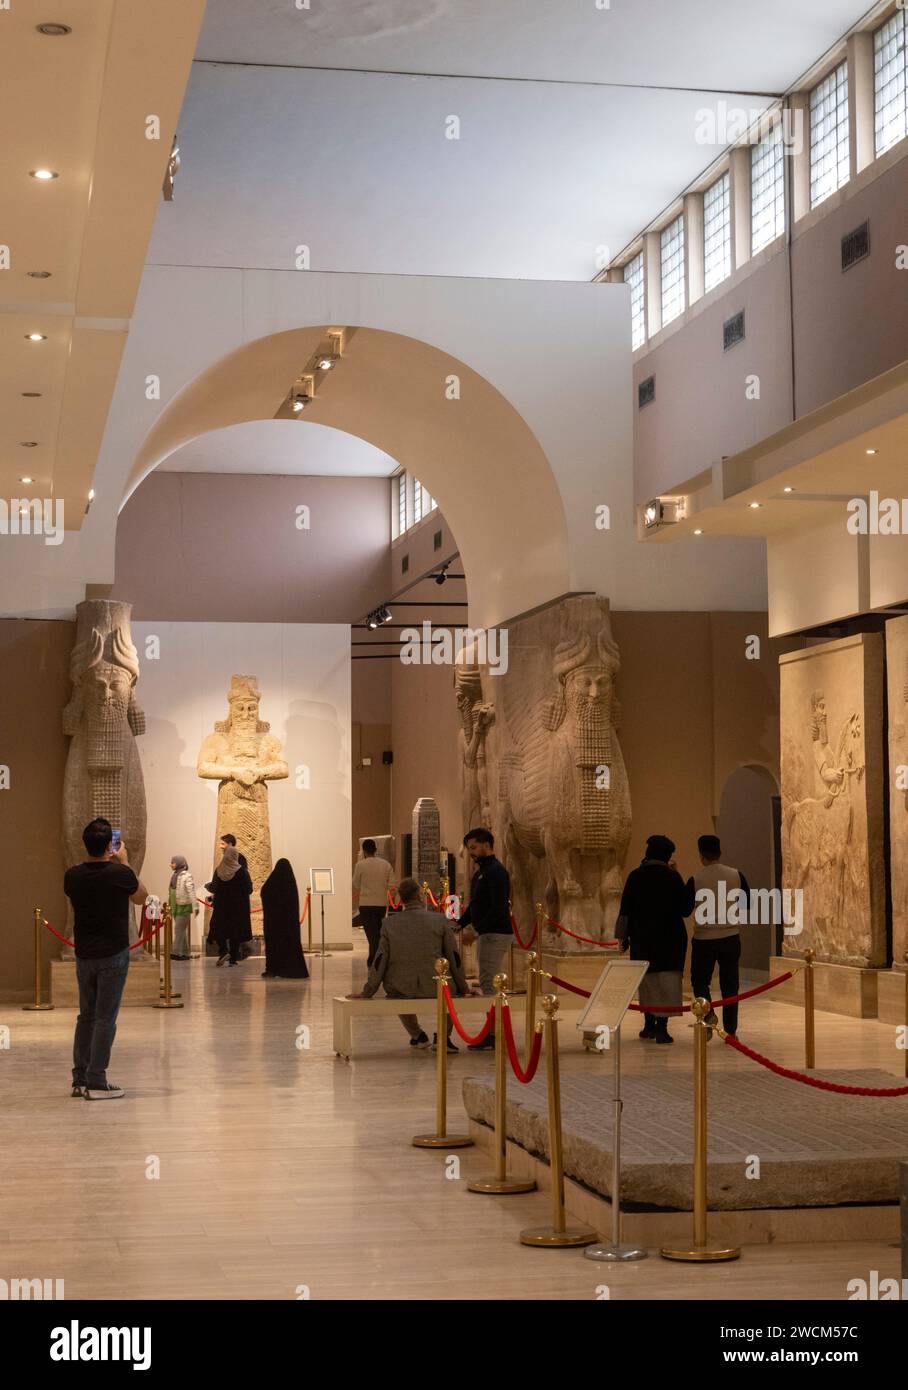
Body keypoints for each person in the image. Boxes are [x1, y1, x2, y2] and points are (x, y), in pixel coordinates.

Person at [64, 818, 148, 1099]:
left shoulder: (72, 876)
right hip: (112, 953)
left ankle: (80, 1077)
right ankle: (97, 1080)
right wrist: (124, 861)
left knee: (85, 1016)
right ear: (110, 846)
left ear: (85, 844)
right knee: (105, 1019)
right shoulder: (119, 874)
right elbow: (141, 898)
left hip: (84, 953)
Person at [347, 878, 469, 1051]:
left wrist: (368, 991)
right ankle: (442, 1037)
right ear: (419, 896)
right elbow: (454, 957)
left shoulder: (389, 924)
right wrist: (464, 987)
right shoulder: (439, 920)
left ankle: (418, 1035)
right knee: (450, 991)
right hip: (435, 985)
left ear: (401, 899)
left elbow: (379, 961)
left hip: (402, 987)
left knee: (397, 990)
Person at [616, 834, 693, 1044]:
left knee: (647, 982)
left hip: (643, 939)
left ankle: (648, 1025)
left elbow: (625, 910)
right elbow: (685, 909)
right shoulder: (672, 877)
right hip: (670, 940)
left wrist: (622, 938)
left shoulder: (635, 876)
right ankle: (662, 1028)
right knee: (667, 983)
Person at [686, 834, 749, 1037]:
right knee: (730, 984)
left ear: (701, 855)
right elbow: (747, 903)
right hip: (731, 936)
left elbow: (685, 909)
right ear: (719, 852)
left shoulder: (696, 879)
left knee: (700, 981)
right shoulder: (736, 875)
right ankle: (731, 1030)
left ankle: (708, 1018)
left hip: (704, 938)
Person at [454, 828, 512, 1048]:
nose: (471, 852)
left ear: (487, 845)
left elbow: (498, 907)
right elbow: (476, 905)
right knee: (488, 981)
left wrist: (476, 931)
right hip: (487, 934)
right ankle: (492, 1030)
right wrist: (459, 923)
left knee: (490, 984)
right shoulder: (481, 872)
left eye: (474, 847)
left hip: (495, 934)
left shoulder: (496, 872)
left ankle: (495, 1034)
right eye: (469, 848)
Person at [261, 858, 310, 979]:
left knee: (274, 945)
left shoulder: (272, 883)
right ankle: (290, 968)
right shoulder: (290, 884)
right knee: (289, 945)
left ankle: (273, 969)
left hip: (273, 922)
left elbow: (265, 892)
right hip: (289, 924)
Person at [206, 843, 253, 966]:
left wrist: (209, 887)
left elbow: (214, 887)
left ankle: (223, 952)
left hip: (222, 906)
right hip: (237, 907)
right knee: (235, 931)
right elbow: (249, 889)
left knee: (220, 929)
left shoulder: (219, 870)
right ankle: (233, 958)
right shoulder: (242, 871)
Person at [352, 838, 393, 967]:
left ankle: (374, 960)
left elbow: (356, 884)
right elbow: (391, 883)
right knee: (378, 932)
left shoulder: (360, 865)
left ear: (364, 851)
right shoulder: (385, 864)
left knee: (371, 933)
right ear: (376, 850)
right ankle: (376, 959)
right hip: (381, 903)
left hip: (366, 904)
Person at [168, 854, 198, 959]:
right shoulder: (174, 875)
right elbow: (171, 891)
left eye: (173, 862)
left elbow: (191, 891)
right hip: (175, 906)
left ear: (179, 863)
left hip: (183, 906)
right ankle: (185, 953)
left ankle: (175, 952)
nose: (170, 864)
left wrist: (195, 906)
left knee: (178, 929)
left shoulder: (186, 876)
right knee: (181, 930)